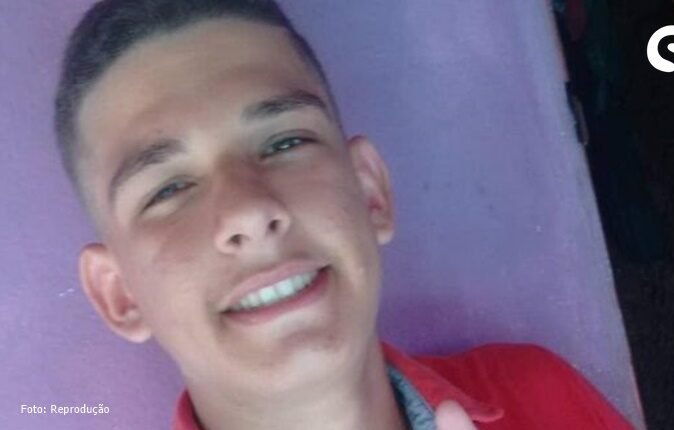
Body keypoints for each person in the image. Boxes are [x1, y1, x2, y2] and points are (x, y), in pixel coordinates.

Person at [53, 1, 636, 429]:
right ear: (120, 295)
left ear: (370, 192)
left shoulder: (542, 394)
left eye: (284, 143)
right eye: (169, 189)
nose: (251, 211)